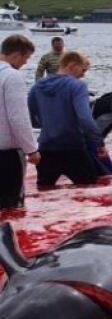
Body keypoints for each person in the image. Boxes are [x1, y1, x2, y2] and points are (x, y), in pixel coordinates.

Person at [27, 51, 106, 187]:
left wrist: (48, 125)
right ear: (72, 65)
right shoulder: (77, 86)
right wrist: (99, 142)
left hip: (46, 149)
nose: (83, 75)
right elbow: (85, 119)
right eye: (83, 70)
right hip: (73, 148)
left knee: (45, 192)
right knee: (89, 193)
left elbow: (30, 118)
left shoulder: (37, 87)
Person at [0, 36, 40, 208]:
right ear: (16, 55)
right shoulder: (12, 76)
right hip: (6, 154)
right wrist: (31, 149)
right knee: (11, 207)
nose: (25, 63)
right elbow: (18, 118)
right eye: (25, 58)